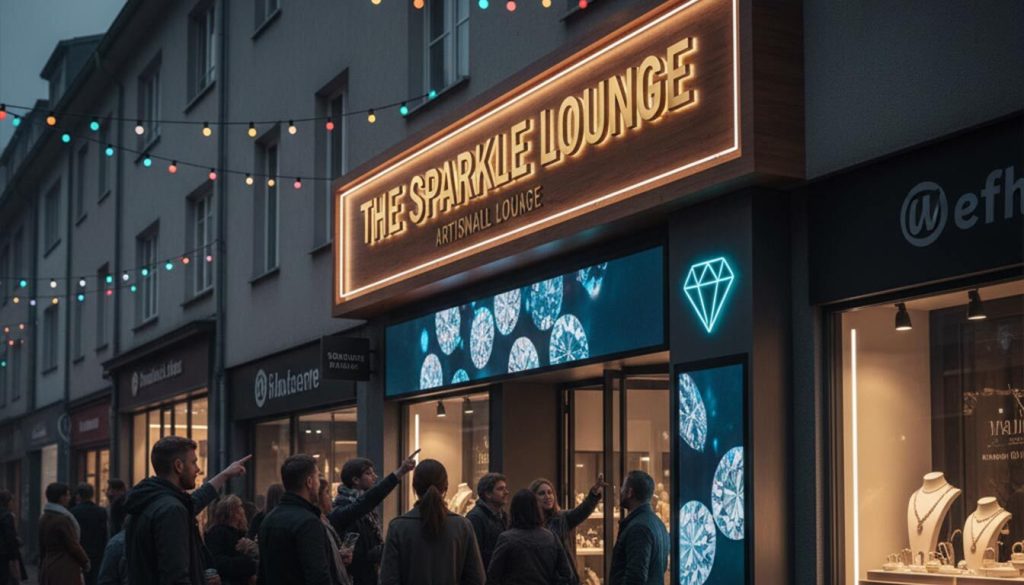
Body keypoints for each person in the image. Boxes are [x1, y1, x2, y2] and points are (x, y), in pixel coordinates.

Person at [124, 436, 251, 585]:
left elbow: (195, 501)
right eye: (193, 462)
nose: (198, 469)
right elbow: (176, 576)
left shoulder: (149, 500)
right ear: (178, 466)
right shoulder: (172, 510)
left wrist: (225, 475)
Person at [379, 459, 485, 585]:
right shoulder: (463, 526)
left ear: (414, 487)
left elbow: (388, 579)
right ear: (445, 487)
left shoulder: (398, 527)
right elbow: (477, 578)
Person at [257, 454, 350, 585]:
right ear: (309, 482)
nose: (319, 484)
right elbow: (318, 577)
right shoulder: (308, 523)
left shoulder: (269, 519)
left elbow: (263, 573)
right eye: (317, 477)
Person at [329, 456, 416, 585]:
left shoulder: (366, 509)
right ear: (355, 480)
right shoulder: (344, 509)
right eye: (368, 473)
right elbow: (369, 499)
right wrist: (399, 472)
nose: (374, 477)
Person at [487, 489, 573, 585]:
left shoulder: (506, 538)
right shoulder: (551, 537)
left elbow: (493, 575)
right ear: (537, 510)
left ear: (514, 511)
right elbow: (566, 574)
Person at [530, 476, 604, 582]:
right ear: (533, 498)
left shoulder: (561, 518)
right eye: (542, 493)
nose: (547, 496)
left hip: (562, 577)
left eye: (550, 492)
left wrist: (594, 493)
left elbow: (582, 511)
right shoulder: (529, 523)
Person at [608, 471, 669, 585]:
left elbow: (635, 579)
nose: (621, 491)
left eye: (623, 487)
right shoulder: (658, 524)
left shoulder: (638, 528)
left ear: (630, 492)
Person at [38, 482, 90, 585]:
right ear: (61, 498)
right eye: (68, 495)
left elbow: (41, 546)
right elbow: (73, 545)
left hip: (48, 565)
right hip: (64, 567)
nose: (70, 498)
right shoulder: (62, 520)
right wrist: (85, 561)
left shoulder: (44, 518)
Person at [205, 495, 258, 585]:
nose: (242, 510)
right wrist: (248, 563)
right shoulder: (218, 532)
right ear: (232, 512)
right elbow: (217, 561)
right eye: (239, 507)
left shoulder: (240, 532)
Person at [466, 472, 509, 569]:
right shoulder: (475, 518)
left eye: (505, 488)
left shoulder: (503, 516)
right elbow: (475, 555)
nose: (506, 492)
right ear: (488, 494)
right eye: (500, 489)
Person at [71, 482, 109, 585]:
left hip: (80, 551)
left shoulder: (73, 512)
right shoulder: (101, 511)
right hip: (97, 552)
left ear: (79, 495)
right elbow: (104, 533)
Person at [1, 489, 27, 585]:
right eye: (12, 501)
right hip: (5, 554)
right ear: (7, 502)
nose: (13, 504)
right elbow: (9, 538)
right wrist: (14, 558)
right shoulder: (7, 516)